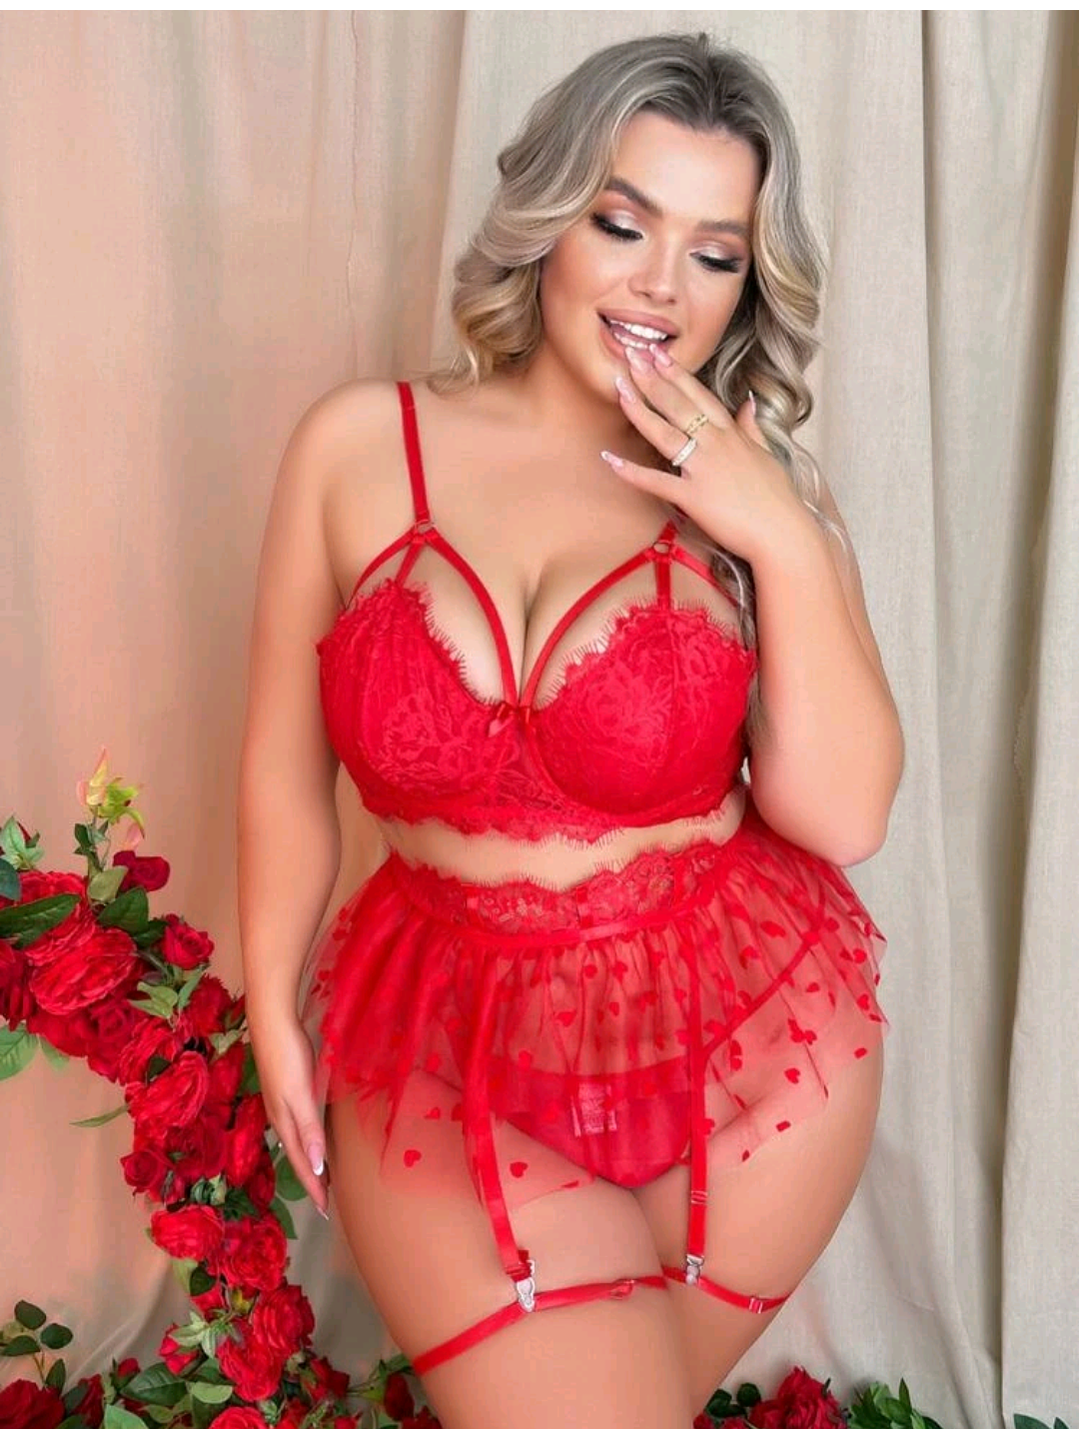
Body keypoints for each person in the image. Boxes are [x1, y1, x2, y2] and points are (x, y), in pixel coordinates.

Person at [237, 30, 904, 1430]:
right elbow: (284, 769)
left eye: (713, 253)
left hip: (745, 1059)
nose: (661, 284)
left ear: (745, 285)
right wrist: (270, 996)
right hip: (441, 1049)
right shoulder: (357, 447)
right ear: (547, 220)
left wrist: (779, 535)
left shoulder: (758, 497)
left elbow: (841, 816)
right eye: (621, 222)